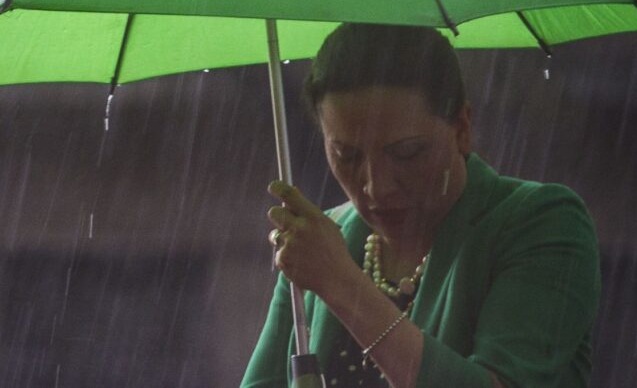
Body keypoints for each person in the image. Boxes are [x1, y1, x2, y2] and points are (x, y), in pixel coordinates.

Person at [240, 23, 600, 388]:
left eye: (406, 152)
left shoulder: (542, 221)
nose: (376, 186)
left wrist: (343, 285)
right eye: (347, 156)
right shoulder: (321, 242)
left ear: (461, 127)